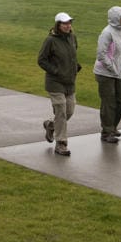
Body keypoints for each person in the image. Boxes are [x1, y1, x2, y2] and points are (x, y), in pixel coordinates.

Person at [37, 11, 81, 156]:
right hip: (55, 82)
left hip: (69, 81)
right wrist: (55, 70)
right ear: (58, 25)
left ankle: (51, 125)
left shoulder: (72, 38)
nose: (68, 26)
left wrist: (75, 66)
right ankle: (61, 143)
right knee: (61, 110)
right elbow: (41, 60)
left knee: (69, 110)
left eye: (69, 23)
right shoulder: (50, 40)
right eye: (65, 23)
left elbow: (72, 55)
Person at [93, 6, 121, 143]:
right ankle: (106, 133)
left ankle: (112, 127)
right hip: (105, 72)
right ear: (117, 18)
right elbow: (101, 54)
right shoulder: (107, 33)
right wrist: (112, 68)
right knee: (109, 103)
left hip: (118, 71)